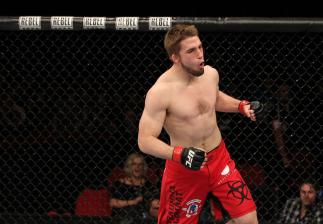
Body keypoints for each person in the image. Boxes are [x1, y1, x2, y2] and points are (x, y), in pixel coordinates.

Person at [137, 24, 262, 224]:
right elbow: (144, 140)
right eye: (191, 50)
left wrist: (240, 106)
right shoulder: (160, 92)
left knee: (248, 220)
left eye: (200, 47)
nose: (200, 55)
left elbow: (213, 98)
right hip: (185, 168)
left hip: (220, 159)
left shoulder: (210, 74)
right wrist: (179, 154)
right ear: (175, 58)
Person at [109, 152, 158, 224]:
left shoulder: (148, 185)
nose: (137, 167)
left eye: (140, 164)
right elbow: (113, 203)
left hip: (144, 219)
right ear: (129, 166)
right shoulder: (119, 184)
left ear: (143, 167)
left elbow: (153, 204)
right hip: (123, 218)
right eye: (134, 164)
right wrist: (134, 202)